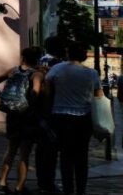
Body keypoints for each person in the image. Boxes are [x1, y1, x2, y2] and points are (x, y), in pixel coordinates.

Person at [45, 41, 102, 195]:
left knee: (65, 157)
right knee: (82, 157)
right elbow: (99, 97)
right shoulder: (92, 73)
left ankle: (68, 190)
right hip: (84, 119)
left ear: (68, 53)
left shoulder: (57, 69)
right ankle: (81, 191)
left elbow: (47, 90)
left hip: (61, 117)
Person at [0, 47, 43, 195]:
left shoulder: (13, 70)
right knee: (24, 154)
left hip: (12, 116)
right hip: (27, 118)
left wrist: (3, 98)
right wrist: (31, 106)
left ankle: (2, 182)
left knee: (11, 150)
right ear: (37, 59)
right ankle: (19, 187)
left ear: (23, 58)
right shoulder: (37, 74)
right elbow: (36, 92)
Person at [35, 36, 66, 194]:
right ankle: (49, 182)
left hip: (38, 110)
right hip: (53, 109)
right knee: (51, 150)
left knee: (41, 150)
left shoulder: (40, 61)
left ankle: (41, 181)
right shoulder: (59, 65)